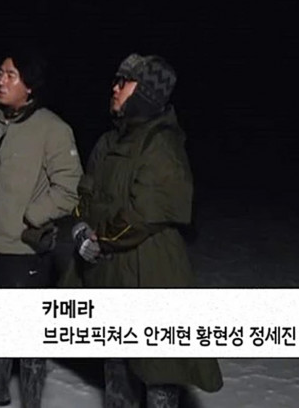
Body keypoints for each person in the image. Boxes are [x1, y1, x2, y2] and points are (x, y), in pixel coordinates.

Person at [65, 53, 223, 408]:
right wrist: (80, 227)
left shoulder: (161, 144)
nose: (115, 88)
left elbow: (146, 211)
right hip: (110, 270)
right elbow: (86, 193)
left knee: (159, 368)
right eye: (116, 80)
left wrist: (101, 239)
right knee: (115, 362)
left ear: (146, 92)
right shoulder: (109, 142)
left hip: (151, 269)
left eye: (124, 82)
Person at [0, 49, 84, 408]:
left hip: (23, 251)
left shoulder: (53, 130)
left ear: (30, 86)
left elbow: (70, 187)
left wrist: (31, 216)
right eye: (0, 73)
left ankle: (31, 401)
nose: (1, 81)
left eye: (11, 75)